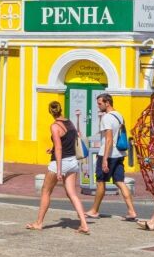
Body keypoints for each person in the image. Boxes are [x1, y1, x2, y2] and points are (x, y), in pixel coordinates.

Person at [27, 99, 91, 234]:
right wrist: (52, 148)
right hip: (73, 161)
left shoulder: (54, 126)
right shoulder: (69, 122)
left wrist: (59, 170)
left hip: (59, 163)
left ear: (50, 112)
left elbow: (60, 148)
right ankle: (84, 224)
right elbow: (68, 139)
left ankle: (39, 223)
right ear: (61, 110)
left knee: (46, 191)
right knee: (72, 194)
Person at [87, 94, 140, 222]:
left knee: (101, 181)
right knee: (120, 182)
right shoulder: (119, 115)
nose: (98, 106)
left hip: (109, 154)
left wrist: (104, 159)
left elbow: (109, 139)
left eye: (100, 103)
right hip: (119, 154)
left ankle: (94, 210)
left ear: (107, 103)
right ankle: (132, 211)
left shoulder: (107, 118)